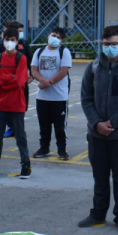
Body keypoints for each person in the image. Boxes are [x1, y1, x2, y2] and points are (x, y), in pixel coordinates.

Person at [77, 25, 118, 233]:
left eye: (114, 44)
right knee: (100, 176)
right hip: (96, 134)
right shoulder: (93, 67)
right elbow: (86, 99)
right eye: (106, 44)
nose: (110, 47)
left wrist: (112, 124)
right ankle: (97, 214)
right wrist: (97, 123)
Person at [0, 27, 31, 178]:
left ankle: (26, 165)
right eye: (7, 40)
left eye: (13, 40)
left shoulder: (21, 58)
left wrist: (2, 81)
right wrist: (9, 77)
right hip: (0, 104)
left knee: (20, 137)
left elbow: (19, 82)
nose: (9, 43)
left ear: (17, 42)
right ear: (2, 41)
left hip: (16, 104)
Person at [31, 26, 72, 161]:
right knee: (44, 124)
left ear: (61, 41)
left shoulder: (64, 52)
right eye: (54, 35)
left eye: (59, 37)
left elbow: (63, 71)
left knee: (60, 126)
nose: (55, 38)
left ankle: (62, 150)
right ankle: (44, 148)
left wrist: (49, 83)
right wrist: (43, 81)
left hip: (59, 97)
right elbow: (34, 70)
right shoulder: (39, 51)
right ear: (48, 35)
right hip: (42, 96)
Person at [0, 20, 33, 118]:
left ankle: (16, 126)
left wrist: (31, 75)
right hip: (4, 81)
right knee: (5, 104)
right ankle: (9, 124)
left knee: (21, 104)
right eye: (19, 31)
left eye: (21, 31)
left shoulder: (24, 43)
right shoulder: (1, 44)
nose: (21, 33)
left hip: (20, 81)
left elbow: (30, 60)